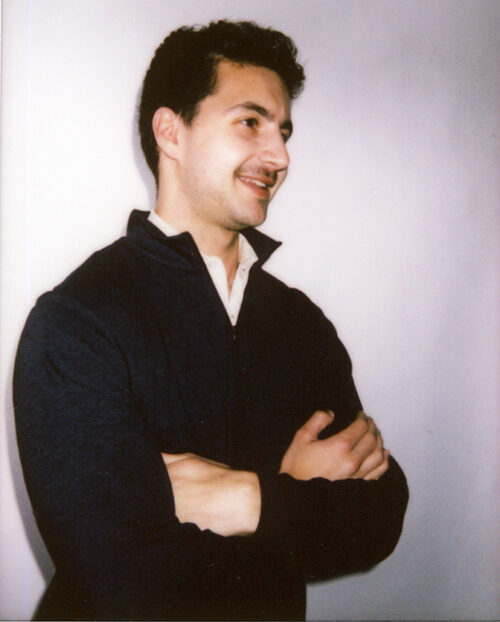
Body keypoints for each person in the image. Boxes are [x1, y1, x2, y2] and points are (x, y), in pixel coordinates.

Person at [14, 20, 408, 621]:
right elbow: (121, 578)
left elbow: (377, 518)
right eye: (250, 122)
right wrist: (290, 493)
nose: (280, 156)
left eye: (283, 132)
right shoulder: (78, 320)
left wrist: (240, 497)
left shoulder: (300, 323)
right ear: (171, 132)